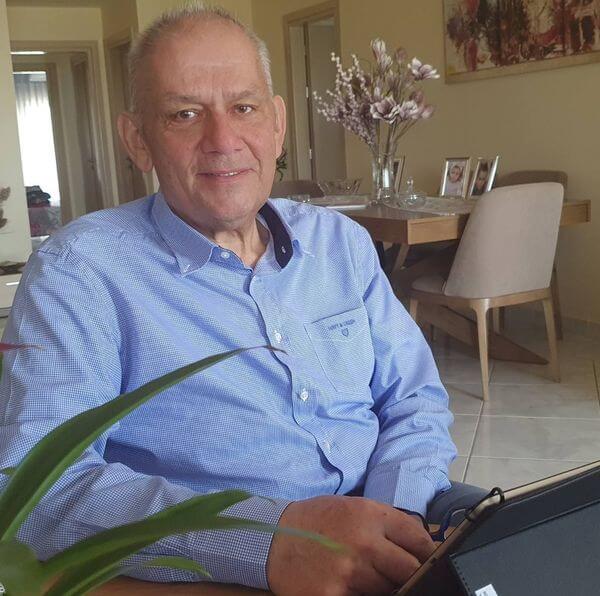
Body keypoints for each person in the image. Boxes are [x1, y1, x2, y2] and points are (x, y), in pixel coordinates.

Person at [0, 6, 487, 594]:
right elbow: (40, 489)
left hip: (402, 519)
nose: (223, 140)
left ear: (277, 125)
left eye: (244, 108)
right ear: (138, 140)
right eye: (184, 114)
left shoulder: (341, 243)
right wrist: (270, 540)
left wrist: (390, 522)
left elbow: (413, 399)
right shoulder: (82, 271)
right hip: (233, 571)